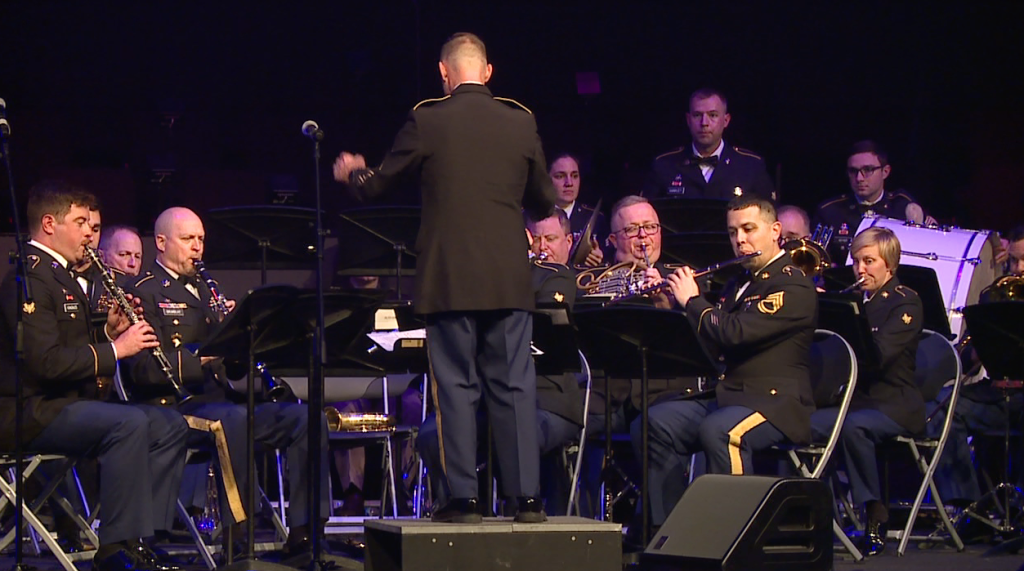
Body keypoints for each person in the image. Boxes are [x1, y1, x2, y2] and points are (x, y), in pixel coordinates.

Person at [332, 32, 557, 523]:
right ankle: (529, 500)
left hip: (451, 277)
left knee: (456, 386)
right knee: (515, 385)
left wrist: (353, 173)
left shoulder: (428, 118)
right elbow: (544, 201)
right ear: (489, 71)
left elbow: (379, 185)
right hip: (507, 280)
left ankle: (465, 499)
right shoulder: (522, 121)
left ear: (444, 73)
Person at [0, 180, 188, 571]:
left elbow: (70, 347)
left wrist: (108, 333)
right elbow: (45, 364)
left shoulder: (62, 276)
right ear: (49, 224)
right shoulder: (31, 278)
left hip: (65, 405)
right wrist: (117, 350)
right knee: (129, 421)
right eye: (81, 222)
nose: (90, 232)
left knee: (169, 424)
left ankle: (142, 536)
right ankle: (114, 548)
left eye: (91, 223)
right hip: (30, 412)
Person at [122, 207, 329, 560]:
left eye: (201, 239)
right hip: (172, 407)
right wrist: (205, 351)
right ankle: (239, 538)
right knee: (231, 421)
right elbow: (143, 371)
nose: (197, 248)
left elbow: (231, 372)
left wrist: (240, 338)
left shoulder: (205, 288)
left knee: (306, 418)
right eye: (187, 239)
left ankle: (306, 534)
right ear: (161, 242)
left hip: (221, 403)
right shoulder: (142, 290)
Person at [648, 195, 817, 529]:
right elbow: (712, 344)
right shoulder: (737, 283)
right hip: (731, 395)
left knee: (722, 431)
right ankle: (664, 531)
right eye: (732, 232)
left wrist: (693, 301)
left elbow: (735, 334)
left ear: (775, 231)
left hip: (775, 401)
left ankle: (734, 538)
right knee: (657, 420)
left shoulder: (793, 284)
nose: (740, 240)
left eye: (749, 229)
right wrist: (674, 310)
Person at [418, 210, 583, 515]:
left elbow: (543, 326)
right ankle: (456, 509)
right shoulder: (476, 276)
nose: (541, 246)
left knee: (516, 433)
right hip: (485, 400)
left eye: (550, 239)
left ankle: (520, 513)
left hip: (545, 400)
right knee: (431, 435)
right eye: (538, 238)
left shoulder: (553, 274)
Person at [809, 227, 924, 556]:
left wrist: (844, 317)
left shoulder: (906, 301)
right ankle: (819, 516)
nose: (860, 269)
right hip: (855, 402)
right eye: (857, 261)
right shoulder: (855, 301)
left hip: (894, 403)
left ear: (889, 264)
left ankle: (874, 512)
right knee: (801, 422)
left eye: (869, 261)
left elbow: (878, 356)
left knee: (853, 427)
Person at [931, 224, 1024, 532]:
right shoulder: (995, 296)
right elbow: (967, 357)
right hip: (999, 394)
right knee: (944, 408)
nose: (1018, 270)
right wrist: (980, 346)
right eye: (1013, 262)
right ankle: (969, 508)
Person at [642, 88, 775, 201]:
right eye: (697, 115)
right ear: (688, 120)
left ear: (726, 120)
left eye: (713, 115)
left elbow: (768, 218)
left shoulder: (750, 166)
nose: (704, 123)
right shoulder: (664, 166)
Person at [814, 140, 934, 258]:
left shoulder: (902, 206)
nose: (859, 178)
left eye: (868, 170)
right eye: (853, 171)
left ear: (885, 172)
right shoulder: (830, 211)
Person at [548, 153, 605, 266]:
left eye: (574, 176)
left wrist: (600, 259)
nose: (569, 183)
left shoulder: (596, 218)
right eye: (560, 176)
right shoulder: (532, 217)